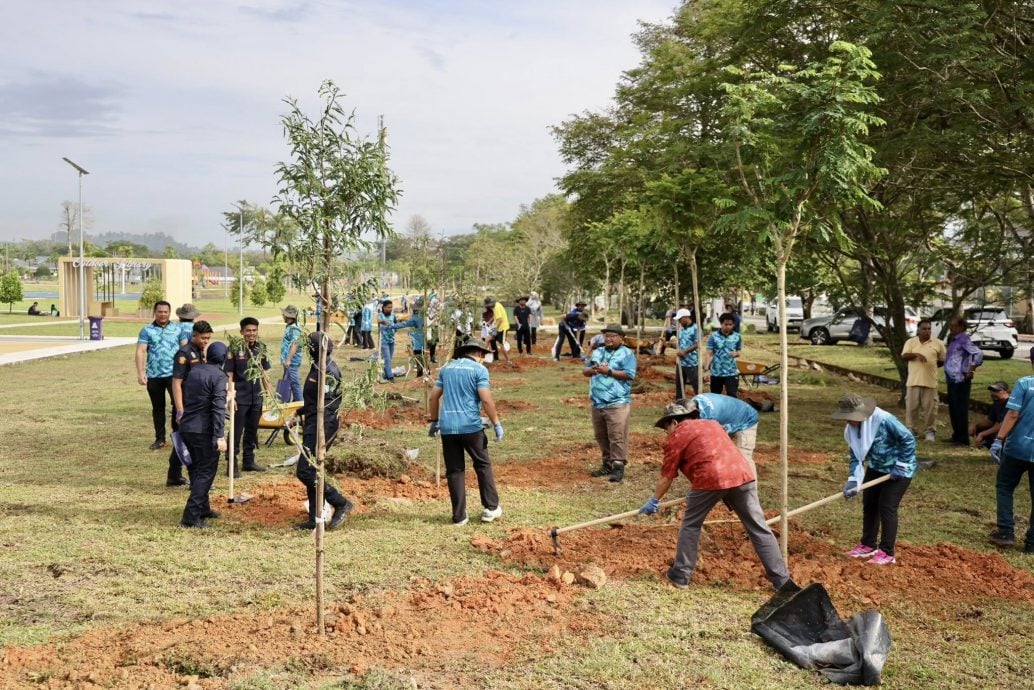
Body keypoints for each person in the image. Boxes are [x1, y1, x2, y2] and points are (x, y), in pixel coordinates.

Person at [639, 403, 793, 591]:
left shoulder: (677, 436)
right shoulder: (713, 424)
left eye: (666, 429)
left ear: (673, 422)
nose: (667, 433)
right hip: (742, 475)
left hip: (711, 480)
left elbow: (666, 477)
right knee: (759, 528)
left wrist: (655, 499)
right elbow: (711, 452)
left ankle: (680, 575)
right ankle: (782, 581)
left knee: (691, 525)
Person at [427, 334, 504, 526]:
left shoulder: (446, 369)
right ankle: (491, 508)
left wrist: (434, 421)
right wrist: (496, 423)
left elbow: (433, 398)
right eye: (483, 356)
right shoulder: (479, 370)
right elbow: (485, 399)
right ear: (478, 353)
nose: (483, 359)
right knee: (482, 465)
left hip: (447, 428)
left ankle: (459, 516)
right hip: (470, 427)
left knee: (454, 471)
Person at [834, 393, 917, 565]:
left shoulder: (884, 420)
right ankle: (867, 545)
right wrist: (853, 480)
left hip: (899, 471)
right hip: (877, 467)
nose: (847, 421)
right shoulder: (851, 430)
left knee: (887, 506)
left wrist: (901, 464)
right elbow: (856, 457)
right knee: (870, 504)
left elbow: (908, 440)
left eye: (849, 417)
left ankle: (887, 552)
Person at [295, 332, 355, 531]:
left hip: (323, 426)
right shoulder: (317, 366)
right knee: (311, 470)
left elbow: (329, 405)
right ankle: (316, 516)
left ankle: (340, 502)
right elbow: (317, 401)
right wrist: (300, 411)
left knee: (305, 471)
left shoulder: (328, 371)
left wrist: (320, 431)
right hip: (314, 422)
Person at [987, 347, 1034, 552]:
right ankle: (1032, 543)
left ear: (1031, 360)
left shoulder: (1024, 383)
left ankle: (1006, 532)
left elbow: (1012, 415)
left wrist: (998, 440)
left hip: (1017, 448)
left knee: (1005, 486)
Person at [178, 341, 229, 528]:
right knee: (206, 472)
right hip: (203, 431)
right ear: (224, 359)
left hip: (187, 428)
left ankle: (203, 508)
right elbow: (217, 408)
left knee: (197, 470)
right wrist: (220, 436)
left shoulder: (194, 371)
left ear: (207, 357)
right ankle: (190, 517)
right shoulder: (220, 377)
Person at [583, 324, 637, 483]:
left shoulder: (627, 354)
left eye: (612, 335)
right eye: (606, 336)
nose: (609, 339)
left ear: (621, 337)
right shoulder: (598, 352)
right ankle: (606, 464)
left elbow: (629, 374)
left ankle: (618, 466)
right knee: (601, 436)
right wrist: (594, 369)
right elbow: (585, 371)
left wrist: (610, 372)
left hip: (617, 402)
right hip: (597, 402)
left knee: (617, 436)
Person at [170, 320, 213, 486]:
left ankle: (173, 476)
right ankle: (194, 479)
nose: (206, 341)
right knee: (187, 440)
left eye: (208, 338)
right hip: (185, 406)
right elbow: (176, 383)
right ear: (194, 335)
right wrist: (180, 409)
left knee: (183, 440)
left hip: (197, 405)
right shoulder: (184, 354)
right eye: (203, 338)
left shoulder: (201, 351)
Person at [224, 317, 270, 475]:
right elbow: (229, 374)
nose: (252, 333)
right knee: (236, 431)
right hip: (240, 398)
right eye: (248, 330)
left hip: (256, 397)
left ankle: (248, 461)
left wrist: (268, 391)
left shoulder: (261, 348)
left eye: (254, 330)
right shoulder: (234, 349)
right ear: (242, 332)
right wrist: (231, 396)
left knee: (252, 430)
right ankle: (232, 463)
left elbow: (264, 371)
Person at [135, 301, 181, 451]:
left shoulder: (177, 329)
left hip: (174, 375)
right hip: (154, 375)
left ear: (170, 312)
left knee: (178, 404)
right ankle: (160, 439)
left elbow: (184, 349)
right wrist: (141, 372)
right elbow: (141, 351)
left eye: (165, 312)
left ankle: (178, 434)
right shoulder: (147, 330)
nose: (163, 314)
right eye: (160, 312)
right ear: (155, 312)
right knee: (158, 407)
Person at [677, 393, 759, 472]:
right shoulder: (694, 402)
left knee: (744, 457)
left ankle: (751, 486)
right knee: (722, 454)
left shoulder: (710, 416)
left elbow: (709, 441)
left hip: (746, 418)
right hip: (727, 417)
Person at [901, 319, 946, 442]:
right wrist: (916, 355)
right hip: (913, 381)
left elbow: (942, 360)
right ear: (918, 330)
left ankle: (930, 431)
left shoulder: (938, 343)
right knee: (911, 408)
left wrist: (932, 366)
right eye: (924, 329)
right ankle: (911, 430)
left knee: (931, 408)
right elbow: (904, 356)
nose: (927, 331)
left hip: (930, 381)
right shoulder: (911, 342)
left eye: (929, 329)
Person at [945, 317, 984, 445]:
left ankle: (962, 439)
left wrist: (971, 369)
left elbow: (978, 354)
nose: (951, 327)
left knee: (960, 408)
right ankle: (956, 435)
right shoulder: (953, 339)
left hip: (960, 378)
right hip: (952, 378)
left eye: (954, 325)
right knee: (953, 408)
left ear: (961, 327)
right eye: (950, 325)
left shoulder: (963, 339)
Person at [704, 313, 742, 397]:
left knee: (732, 395)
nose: (728, 326)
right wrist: (706, 370)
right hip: (716, 373)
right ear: (721, 324)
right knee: (715, 396)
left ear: (733, 325)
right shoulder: (714, 337)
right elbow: (709, 353)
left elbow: (739, 351)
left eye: (730, 324)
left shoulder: (737, 336)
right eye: (726, 324)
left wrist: (736, 353)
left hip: (731, 372)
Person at [971, 381, 1011, 449]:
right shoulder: (997, 403)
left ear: (1006, 391)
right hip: (1003, 429)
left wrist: (982, 434)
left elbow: (1002, 424)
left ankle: (1002, 453)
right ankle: (996, 452)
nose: (993, 393)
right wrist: (975, 426)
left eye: (997, 391)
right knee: (980, 429)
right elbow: (990, 421)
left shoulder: (1010, 404)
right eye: (992, 390)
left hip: (1012, 432)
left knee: (994, 434)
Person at [394, 297, 427, 376]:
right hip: (422, 339)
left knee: (418, 356)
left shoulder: (415, 318)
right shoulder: (422, 317)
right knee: (422, 356)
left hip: (417, 341)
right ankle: (424, 372)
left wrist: (392, 326)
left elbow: (404, 324)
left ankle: (420, 374)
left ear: (414, 311)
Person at [673, 308, 700, 400]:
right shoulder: (681, 329)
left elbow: (697, 344)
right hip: (680, 362)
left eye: (680, 319)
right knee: (679, 384)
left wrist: (685, 352)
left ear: (686, 317)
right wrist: (670, 344)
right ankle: (679, 402)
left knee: (696, 384)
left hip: (691, 362)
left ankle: (700, 402)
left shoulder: (696, 328)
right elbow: (680, 343)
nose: (679, 321)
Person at [280, 305, 304, 402]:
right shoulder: (290, 326)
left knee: (295, 384)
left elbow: (295, 344)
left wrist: (288, 360)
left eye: (284, 314)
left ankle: (300, 405)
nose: (282, 316)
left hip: (291, 362)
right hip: (287, 361)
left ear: (288, 316)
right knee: (287, 382)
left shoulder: (295, 329)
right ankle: (285, 403)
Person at [484, 296, 511, 365]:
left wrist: (494, 329)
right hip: (497, 327)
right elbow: (496, 316)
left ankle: (508, 360)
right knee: (488, 339)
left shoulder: (497, 307)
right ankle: (490, 358)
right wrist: (490, 321)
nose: (489, 307)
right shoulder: (496, 305)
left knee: (501, 344)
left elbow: (500, 320)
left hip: (502, 328)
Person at [377, 299, 398, 382]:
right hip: (383, 341)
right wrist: (383, 321)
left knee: (389, 359)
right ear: (384, 307)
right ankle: (390, 377)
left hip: (391, 340)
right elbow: (379, 322)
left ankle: (386, 374)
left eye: (391, 307)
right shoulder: (380, 315)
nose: (390, 309)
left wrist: (393, 330)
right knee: (387, 359)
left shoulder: (393, 316)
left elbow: (396, 325)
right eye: (388, 307)